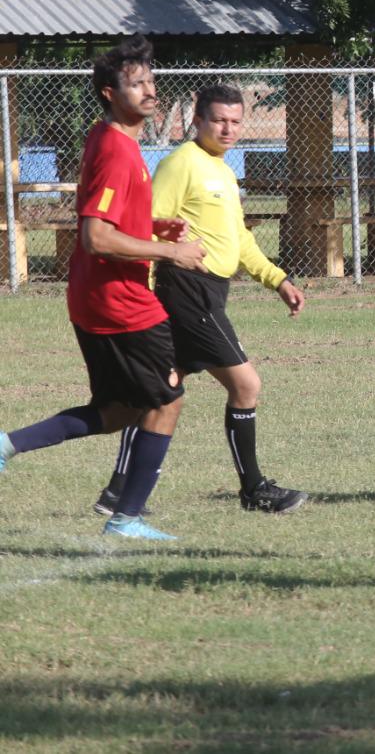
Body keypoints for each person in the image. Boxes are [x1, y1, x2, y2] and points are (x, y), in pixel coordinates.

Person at [0, 37, 208, 540]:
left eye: (151, 81)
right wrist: (171, 252)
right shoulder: (117, 148)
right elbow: (95, 236)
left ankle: (5, 446)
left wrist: (151, 225)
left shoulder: (107, 135)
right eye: (136, 84)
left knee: (117, 412)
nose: (149, 91)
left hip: (93, 297)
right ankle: (127, 517)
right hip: (122, 301)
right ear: (110, 94)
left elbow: (110, 217)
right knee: (167, 400)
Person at [93, 83, 310, 518]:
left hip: (210, 292)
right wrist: (146, 288)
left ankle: (118, 490)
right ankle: (253, 489)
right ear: (197, 120)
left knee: (163, 388)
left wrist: (277, 278)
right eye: (218, 120)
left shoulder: (223, 171)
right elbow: (143, 226)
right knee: (246, 385)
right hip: (187, 291)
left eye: (235, 121)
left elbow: (239, 240)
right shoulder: (182, 164)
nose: (227, 129)